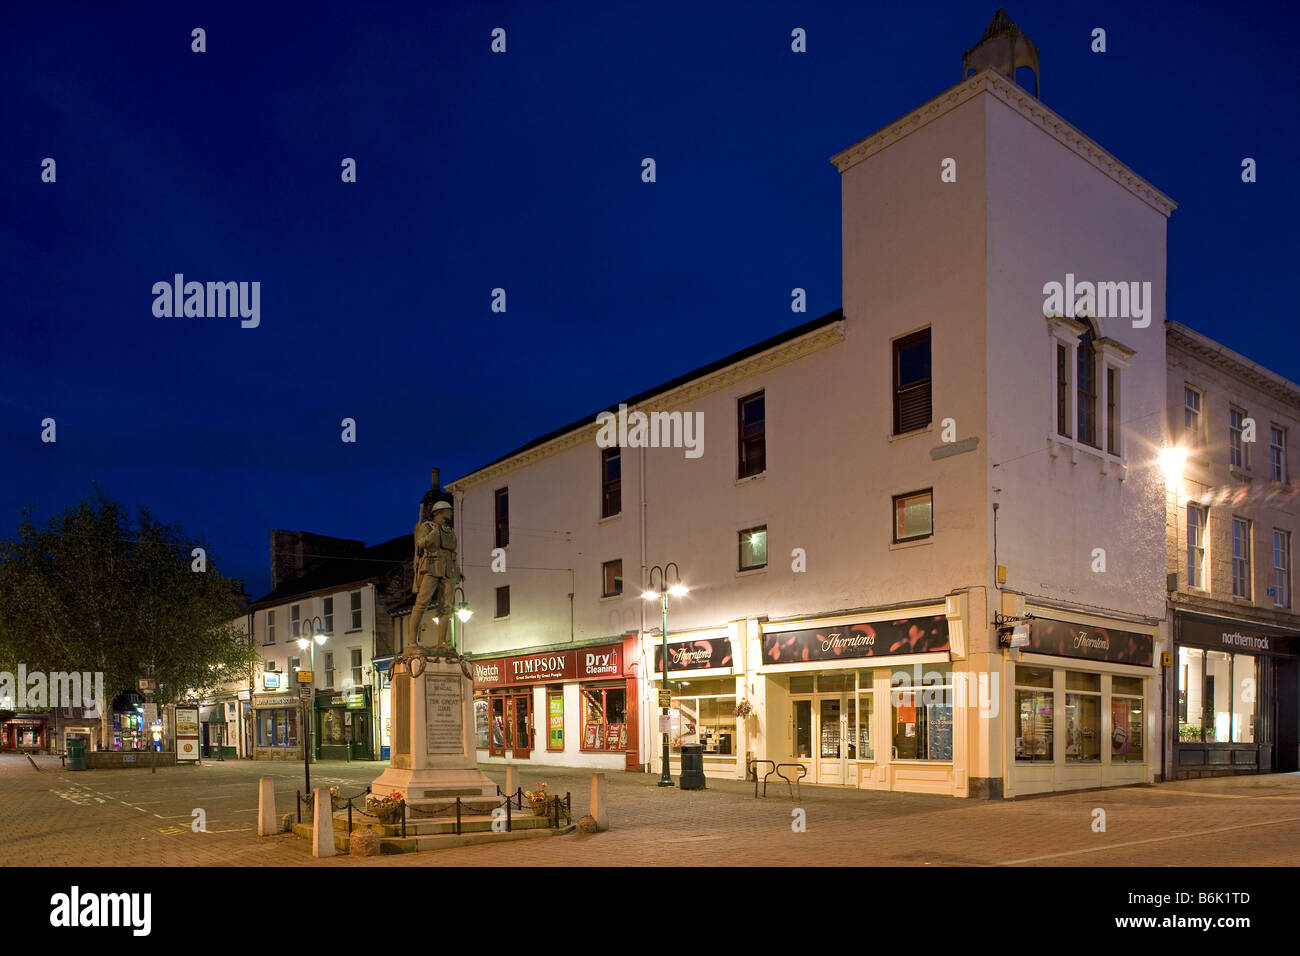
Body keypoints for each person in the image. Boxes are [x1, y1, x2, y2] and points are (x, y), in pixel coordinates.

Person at [411, 499, 462, 647]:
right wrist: (434, 533)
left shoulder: (449, 531)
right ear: (440, 512)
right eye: (449, 510)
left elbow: (452, 551)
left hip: (448, 570)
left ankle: (442, 642)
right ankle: (412, 642)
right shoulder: (428, 527)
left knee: (446, 607)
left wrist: (458, 572)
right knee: (421, 604)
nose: (451, 512)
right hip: (431, 567)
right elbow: (421, 543)